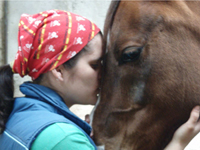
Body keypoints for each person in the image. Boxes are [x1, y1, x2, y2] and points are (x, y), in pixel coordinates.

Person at [0, 9, 199, 150]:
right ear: (59, 70)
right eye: (95, 65)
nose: (105, 73)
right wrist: (178, 143)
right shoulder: (63, 138)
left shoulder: (19, 113)